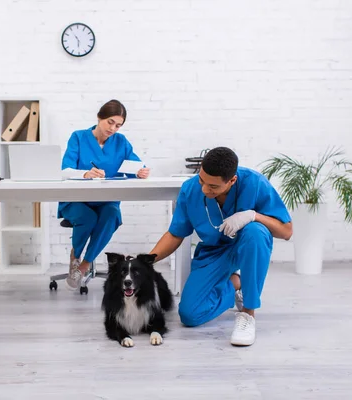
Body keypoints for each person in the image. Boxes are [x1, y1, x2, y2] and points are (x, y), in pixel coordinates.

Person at [148, 147, 292, 346]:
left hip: (247, 245)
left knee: (256, 232)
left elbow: (286, 231)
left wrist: (253, 215)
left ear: (231, 181)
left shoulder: (254, 183)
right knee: (190, 314)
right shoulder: (190, 190)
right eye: (202, 181)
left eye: (213, 186)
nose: (205, 190)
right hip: (213, 252)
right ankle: (235, 284)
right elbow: (175, 233)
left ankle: (248, 313)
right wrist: (147, 260)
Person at [59, 99, 150, 290]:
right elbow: (65, 170)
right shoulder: (78, 137)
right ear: (99, 117)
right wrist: (85, 174)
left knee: (112, 215)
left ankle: (84, 265)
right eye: (110, 122)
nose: (113, 128)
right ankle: (75, 257)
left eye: (118, 125)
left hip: (106, 200)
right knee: (88, 217)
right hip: (77, 200)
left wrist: (140, 171)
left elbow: (135, 164)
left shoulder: (121, 142)